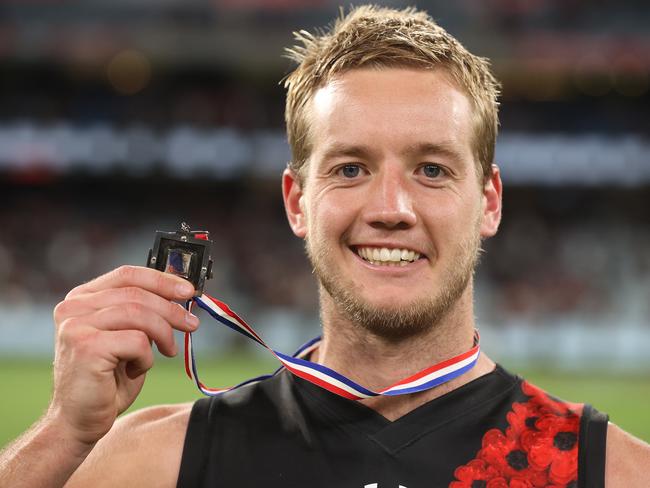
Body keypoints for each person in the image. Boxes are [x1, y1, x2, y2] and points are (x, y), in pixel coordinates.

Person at [1, 5, 649, 488]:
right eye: (349, 169)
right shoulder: (156, 463)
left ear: (489, 201)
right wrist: (63, 435)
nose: (390, 209)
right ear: (296, 201)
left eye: (431, 170)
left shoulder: (612, 472)